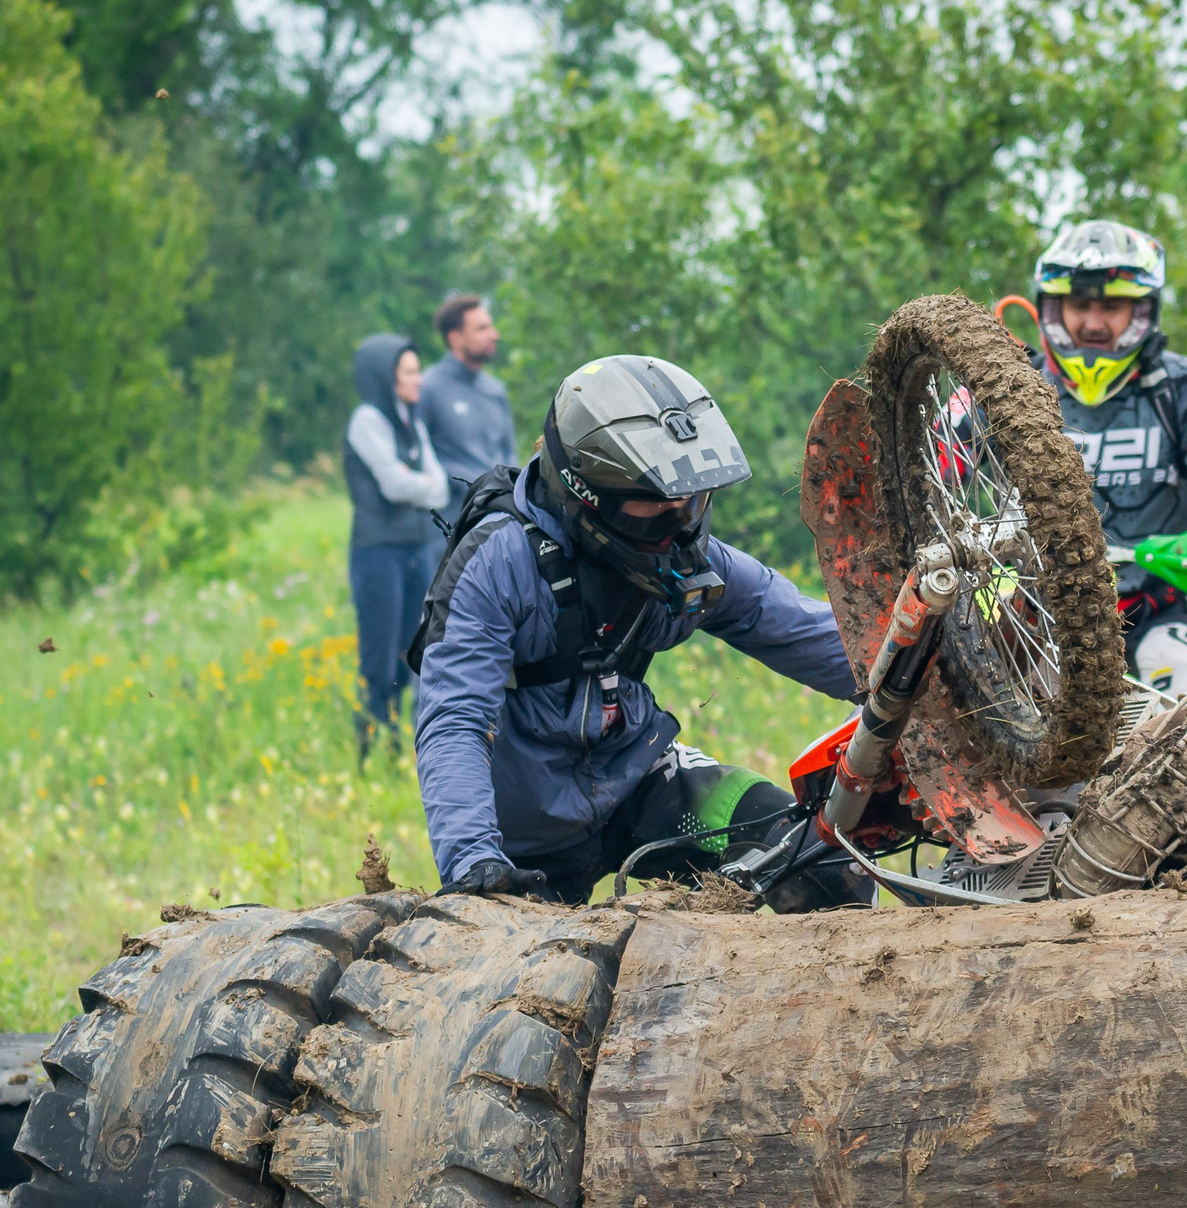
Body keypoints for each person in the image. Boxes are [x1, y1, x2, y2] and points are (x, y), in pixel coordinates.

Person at [411, 354, 866, 907]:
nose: (678, 528)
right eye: (654, 508)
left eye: (690, 503)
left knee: (820, 858)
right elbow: (454, 719)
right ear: (587, 495)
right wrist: (472, 858)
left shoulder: (688, 559)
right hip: (521, 833)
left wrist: (928, 674)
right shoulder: (498, 560)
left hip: (636, 778)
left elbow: (804, 628)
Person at [1030, 219, 1187, 697]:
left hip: (1155, 609)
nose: (1092, 322)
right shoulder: (1013, 385)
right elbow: (932, 463)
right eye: (1079, 304)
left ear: (1142, 309)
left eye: (1112, 306)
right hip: (1037, 616)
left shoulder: (1179, 386)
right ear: (1053, 306)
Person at [344, 333, 448, 750]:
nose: (419, 379)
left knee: (411, 648)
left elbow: (439, 489)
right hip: (377, 551)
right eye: (408, 372)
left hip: (414, 547)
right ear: (385, 378)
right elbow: (391, 484)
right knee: (379, 653)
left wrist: (416, 484)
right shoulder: (367, 420)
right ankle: (371, 738)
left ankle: (397, 742)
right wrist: (417, 484)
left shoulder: (411, 423)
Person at [417, 293, 518, 511]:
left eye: (490, 326)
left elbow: (509, 454)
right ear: (455, 338)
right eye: (482, 328)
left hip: (501, 515)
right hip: (451, 523)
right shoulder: (427, 388)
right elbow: (419, 457)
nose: (494, 334)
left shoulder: (495, 390)